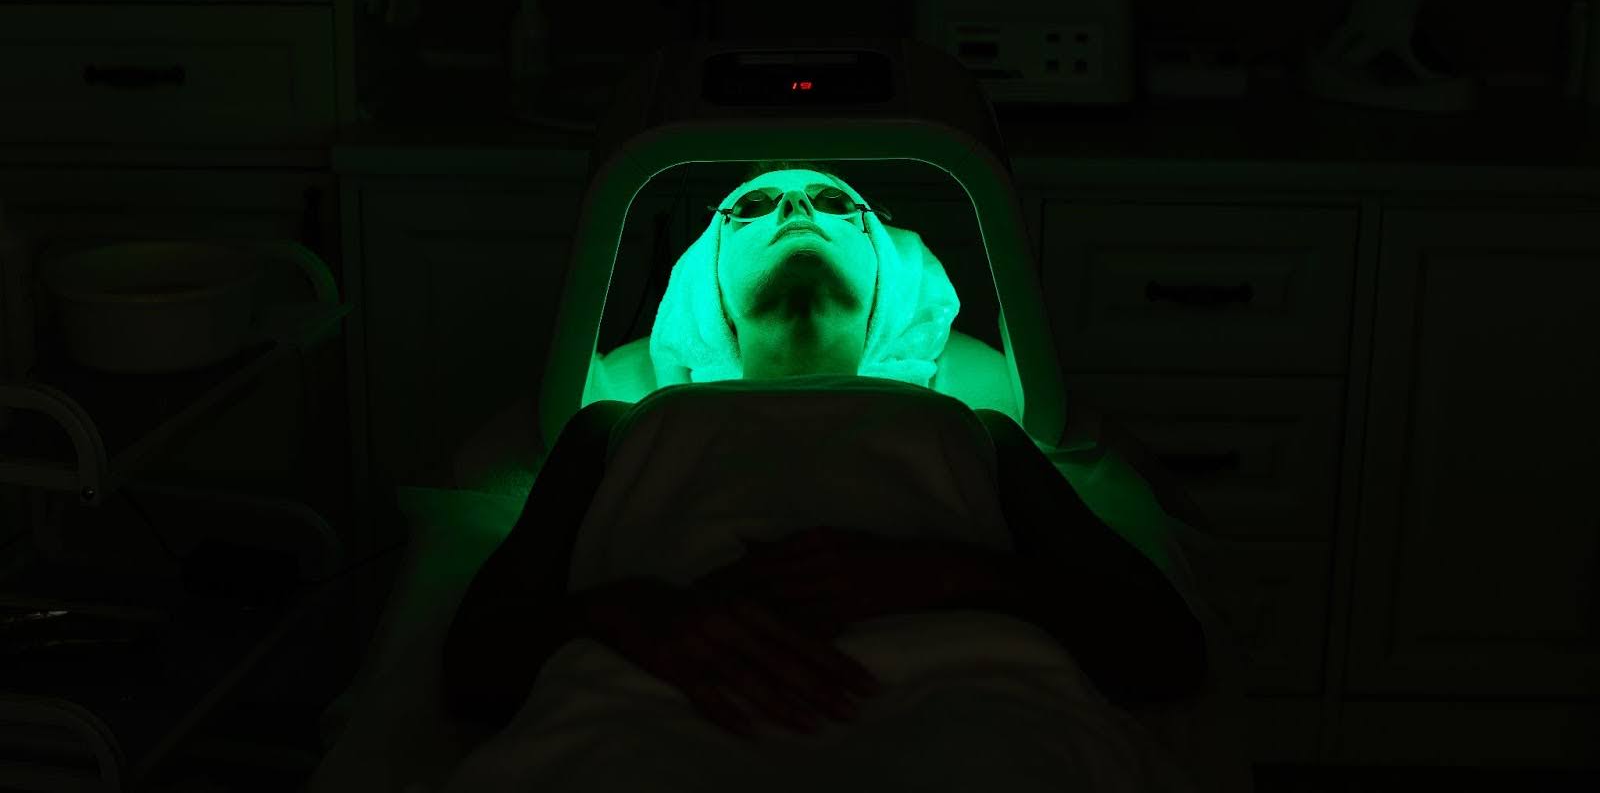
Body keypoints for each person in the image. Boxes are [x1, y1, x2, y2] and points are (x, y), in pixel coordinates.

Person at [441, 162, 1208, 743]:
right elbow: (473, 677)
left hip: (970, 727)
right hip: (644, 730)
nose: (796, 210)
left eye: (836, 202)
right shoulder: (612, 429)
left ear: (889, 274)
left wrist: (939, 575)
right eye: (752, 206)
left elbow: (1162, 652)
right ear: (707, 282)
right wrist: (629, 613)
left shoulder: (972, 430)